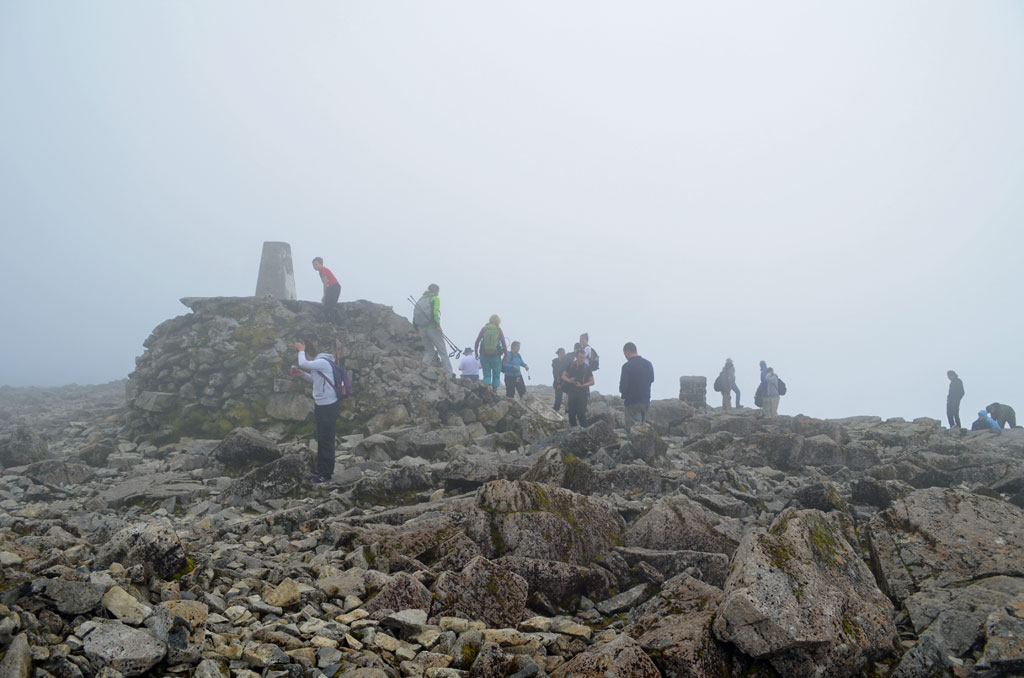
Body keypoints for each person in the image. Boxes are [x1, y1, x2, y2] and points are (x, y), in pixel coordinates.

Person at [293, 339, 339, 483]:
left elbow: (303, 363)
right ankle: (320, 469)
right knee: (322, 438)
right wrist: (303, 375)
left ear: (308, 353)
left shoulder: (322, 361)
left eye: (305, 354)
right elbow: (316, 380)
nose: (305, 358)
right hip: (322, 405)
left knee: (326, 440)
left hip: (328, 406)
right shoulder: (320, 364)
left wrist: (301, 350)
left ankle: (326, 474)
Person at [413, 284, 453, 376]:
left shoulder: (420, 300)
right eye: (438, 291)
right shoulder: (435, 299)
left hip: (421, 329)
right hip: (432, 328)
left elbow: (415, 315)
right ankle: (449, 374)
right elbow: (435, 312)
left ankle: (421, 370)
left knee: (429, 351)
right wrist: (438, 325)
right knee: (442, 351)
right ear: (435, 290)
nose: (438, 293)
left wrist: (416, 329)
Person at [619, 342, 655, 428]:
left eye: (625, 354)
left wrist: (624, 393)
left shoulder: (627, 366)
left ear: (627, 352)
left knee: (631, 429)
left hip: (631, 403)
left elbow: (623, 387)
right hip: (645, 401)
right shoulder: (648, 364)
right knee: (643, 429)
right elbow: (651, 379)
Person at [561, 348, 595, 427]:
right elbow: (563, 375)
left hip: (583, 393)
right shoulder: (571, 365)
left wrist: (582, 385)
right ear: (576, 357)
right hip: (572, 392)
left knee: (581, 414)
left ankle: (586, 431)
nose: (582, 359)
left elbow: (592, 382)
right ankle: (575, 430)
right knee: (571, 414)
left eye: (583, 357)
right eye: (580, 357)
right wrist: (569, 380)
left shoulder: (587, 368)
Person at [474, 315, 507, 392]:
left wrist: (476, 353)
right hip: (496, 356)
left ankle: (487, 391)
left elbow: (477, 342)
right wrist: (505, 356)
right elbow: (504, 344)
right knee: (496, 374)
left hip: (484, 355)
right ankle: (494, 392)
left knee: (486, 374)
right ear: (498, 321)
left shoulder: (484, 329)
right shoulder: (499, 330)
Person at [312, 257, 341, 323]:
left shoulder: (322, 270)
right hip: (334, 287)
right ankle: (332, 322)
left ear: (321, 264)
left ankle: (332, 322)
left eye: (316, 264)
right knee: (330, 306)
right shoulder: (321, 271)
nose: (314, 266)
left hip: (333, 287)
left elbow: (325, 283)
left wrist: (324, 295)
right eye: (313, 265)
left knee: (329, 306)